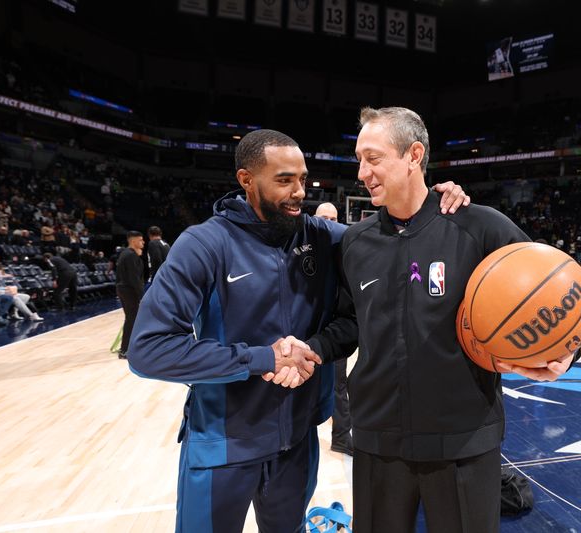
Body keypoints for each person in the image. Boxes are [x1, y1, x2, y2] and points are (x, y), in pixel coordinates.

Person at [127, 128, 468, 533]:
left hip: (297, 442)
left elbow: (396, 239)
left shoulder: (323, 237)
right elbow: (148, 350)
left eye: (303, 179)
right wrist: (263, 358)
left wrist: (434, 197)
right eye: (284, 180)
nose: (298, 192)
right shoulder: (203, 244)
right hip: (223, 442)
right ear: (246, 180)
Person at [308, 107, 581, 533]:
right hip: (378, 441)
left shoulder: (481, 227)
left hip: (463, 440)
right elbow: (349, 323)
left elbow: (550, 299)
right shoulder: (356, 242)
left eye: (374, 158)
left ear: (413, 154)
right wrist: (311, 349)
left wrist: (565, 354)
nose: (362, 172)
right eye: (359, 159)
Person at [314, 202, 353, 456]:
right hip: (301, 331)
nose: (329, 222)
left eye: (334, 218)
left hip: (332, 332)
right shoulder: (301, 249)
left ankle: (340, 436)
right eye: (324, 218)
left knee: (338, 386)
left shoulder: (344, 251)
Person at [115, 231, 145, 359]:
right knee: (131, 319)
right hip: (129, 290)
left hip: (125, 289)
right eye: (140, 240)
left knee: (132, 319)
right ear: (133, 241)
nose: (143, 242)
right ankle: (124, 350)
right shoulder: (130, 255)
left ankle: (128, 348)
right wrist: (142, 296)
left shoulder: (127, 254)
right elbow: (134, 278)